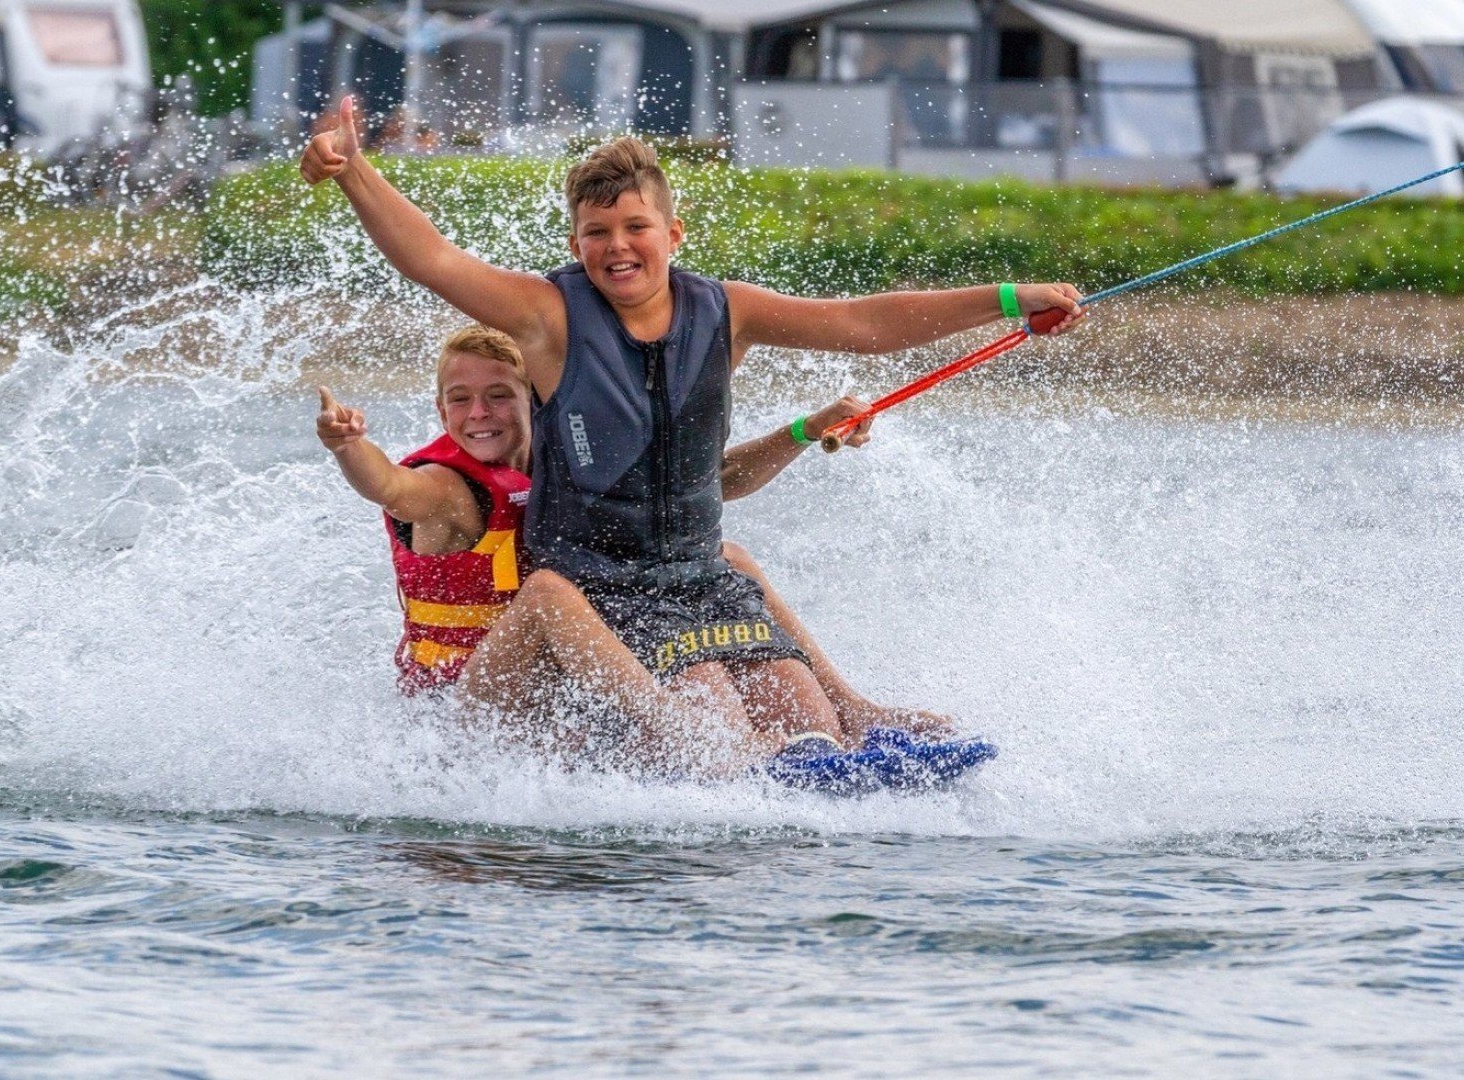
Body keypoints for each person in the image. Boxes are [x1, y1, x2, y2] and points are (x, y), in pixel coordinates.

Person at [300, 101, 1077, 775]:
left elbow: (862, 322)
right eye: (596, 232)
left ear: (673, 232)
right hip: (598, 592)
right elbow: (432, 258)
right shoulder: (549, 318)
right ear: (576, 245)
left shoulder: (728, 310)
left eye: (636, 226)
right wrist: (354, 174)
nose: (617, 246)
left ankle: (848, 728)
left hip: (697, 582)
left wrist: (1009, 299)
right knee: (712, 711)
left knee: (807, 716)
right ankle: (736, 765)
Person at [318, 325, 951, 778]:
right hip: (467, 706)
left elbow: (716, 484)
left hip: (559, 689)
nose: (479, 413)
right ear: (441, 409)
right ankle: (699, 743)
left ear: (535, 402)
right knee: (547, 593)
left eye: (499, 396)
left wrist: (805, 431)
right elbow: (390, 488)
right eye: (460, 399)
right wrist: (350, 448)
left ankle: (853, 710)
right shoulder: (449, 491)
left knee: (723, 556)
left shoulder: (573, 465)